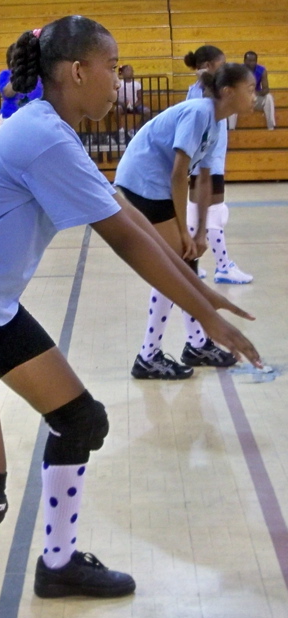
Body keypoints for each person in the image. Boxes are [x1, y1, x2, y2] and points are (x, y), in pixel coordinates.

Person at [0, 17, 261, 618]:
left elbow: (132, 219)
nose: (122, 83)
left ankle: (58, 566)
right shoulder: (43, 137)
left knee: (81, 422)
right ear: (77, 72)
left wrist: (205, 297)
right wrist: (204, 315)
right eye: (114, 68)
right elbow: (124, 240)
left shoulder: (58, 134)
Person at [114, 63, 257, 380]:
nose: (255, 95)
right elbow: (180, 174)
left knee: (183, 265)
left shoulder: (217, 125)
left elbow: (204, 181)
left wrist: (200, 232)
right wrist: (182, 231)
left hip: (159, 184)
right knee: (175, 267)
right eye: (250, 88)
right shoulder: (199, 113)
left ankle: (196, 344)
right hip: (143, 181)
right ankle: (149, 356)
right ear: (227, 92)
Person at [185, 45, 253, 285]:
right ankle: (223, 266)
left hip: (200, 163)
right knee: (215, 214)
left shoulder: (195, 89)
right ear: (209, 66)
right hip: (208, 164)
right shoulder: (206, 93)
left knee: (196, 214)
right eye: (221, 64)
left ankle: (190, 263)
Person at [0, 42, 43, 125]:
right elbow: (8, 93)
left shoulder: (38, 76)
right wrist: (19, 74)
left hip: (35, 117)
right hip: (10, 117)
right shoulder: (5, 75)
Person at [229, 51, 275, 130]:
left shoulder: (262, 70)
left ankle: (271, 127)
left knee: (269, 97)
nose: (251, 63)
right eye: (249, 61)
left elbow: (266, 89)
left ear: (256, 61)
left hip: (255, 98)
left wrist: (253, 93)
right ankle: (231, 128)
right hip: (241, 99)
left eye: (253, 61)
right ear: (244, 61)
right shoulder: (238, 71)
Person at [116, 64, 151, 144]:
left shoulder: (137, 84)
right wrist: (123, 103)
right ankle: (121, 131)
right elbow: (115, 98)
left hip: (135, 105)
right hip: (123, 105)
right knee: (117, 109)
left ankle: (134, 130)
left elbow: (140, 98)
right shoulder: (119, 84)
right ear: (123, 73)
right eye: (127, 70)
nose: (129, 72)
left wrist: (134, 105)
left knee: (147, 112)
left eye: (131, 70)